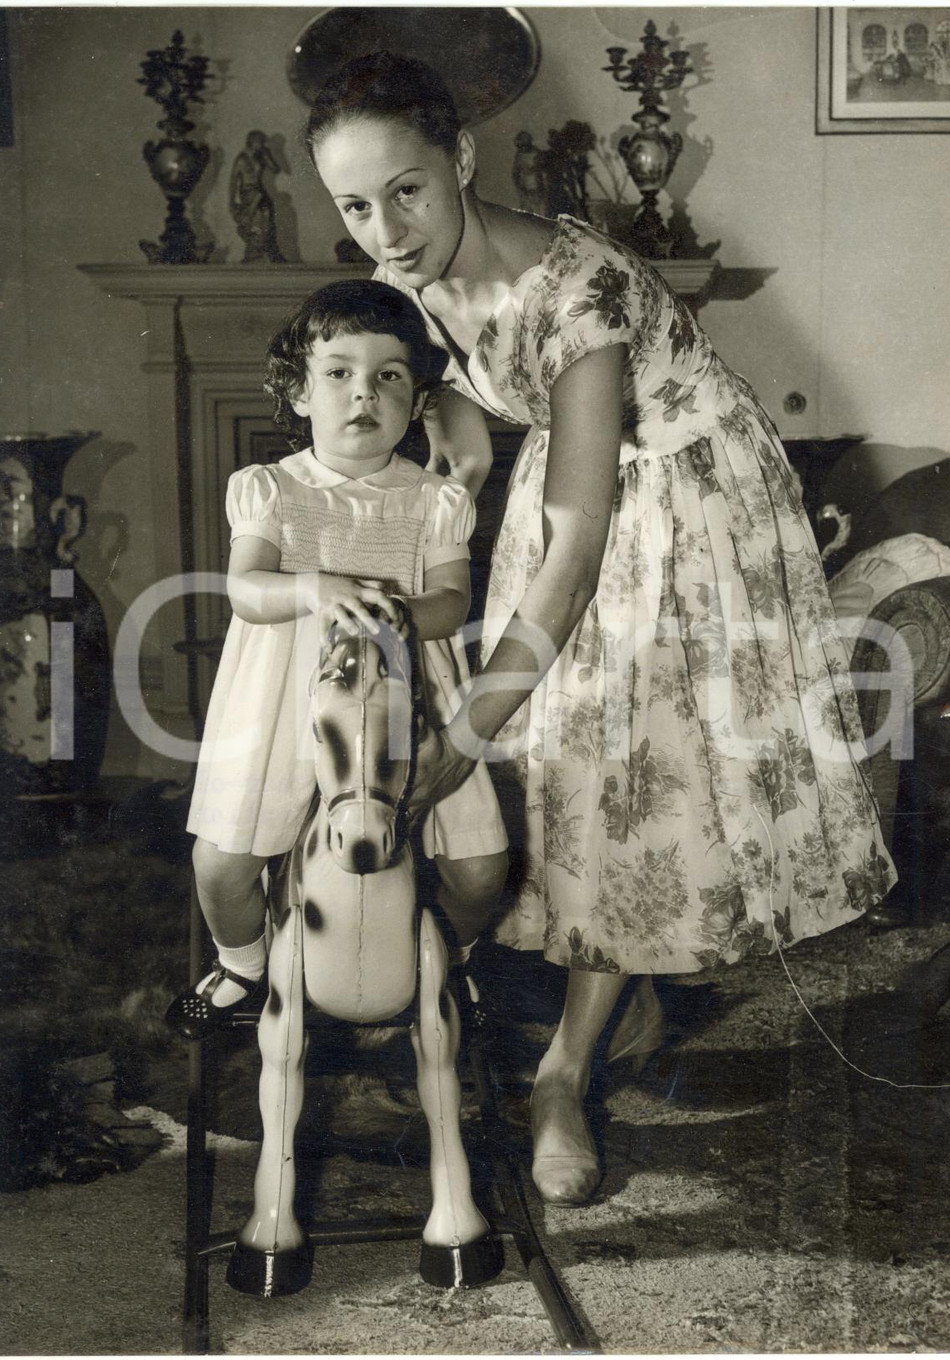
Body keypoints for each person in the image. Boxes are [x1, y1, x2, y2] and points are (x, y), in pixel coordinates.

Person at [303, 53, 897, 1205]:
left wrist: (461, 735)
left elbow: (573, 559)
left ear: (461, 158)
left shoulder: (579, 292)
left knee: (624, 774)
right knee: (571, 776)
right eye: (356, 205)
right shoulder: (403, 270)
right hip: (575, 483)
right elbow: (460, 371)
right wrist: (453, 415)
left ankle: (561, 1077)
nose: (386, 231)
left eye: (408, 191)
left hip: (684, 503)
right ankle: (593, 1007)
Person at [165, 279, 508, 1039]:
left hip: (408, 692)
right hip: (279, 696)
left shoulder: (434, 499)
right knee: (220, 865)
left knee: (482, 867)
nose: (364, 393)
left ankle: (454, 956)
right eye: (339, 373)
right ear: (298, 392)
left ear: (416, 403)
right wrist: (314, 587)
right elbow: (246, 589)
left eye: (389, 376)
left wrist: (400, 613)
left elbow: (452, 601)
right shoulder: (271, 490)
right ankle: (243, 965)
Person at [229, 130, 286, 264]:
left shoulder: (261, 156)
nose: (261, 145)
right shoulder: (241, 159)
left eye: (262, 143)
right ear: (252, 142)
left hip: (260, 191)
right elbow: (233, 181)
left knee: (267, 217)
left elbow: (275, 169)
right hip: (248, 192)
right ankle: (255, 252)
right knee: (254, 220)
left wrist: (266, 155)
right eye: (259, 142)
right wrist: (231, 201)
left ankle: (268, 250)